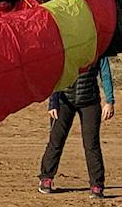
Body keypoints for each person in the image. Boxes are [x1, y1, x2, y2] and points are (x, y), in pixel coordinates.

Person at [39, 57, 114, 198]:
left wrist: (109, 101)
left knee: (91, 144)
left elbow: (105, 73)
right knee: (56, 140)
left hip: (89, 101)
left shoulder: (99, 47)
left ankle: (97, 185)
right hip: (64, 100)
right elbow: (56, 72)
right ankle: (46, 178)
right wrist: (53, 102)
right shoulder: (68, 44)